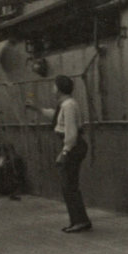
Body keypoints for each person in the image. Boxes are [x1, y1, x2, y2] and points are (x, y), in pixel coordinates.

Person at [26, 75, 91, 233]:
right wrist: (38, 109)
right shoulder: (66, 104)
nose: (52, 89)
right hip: (73, 145)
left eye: (54, 86)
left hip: (72, 146)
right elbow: (57, 117)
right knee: (69, 185)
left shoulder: (68, 105)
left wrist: (64, 152)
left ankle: (80, 221)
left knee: (69, 185)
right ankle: (78, 220)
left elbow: (71, 132)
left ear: (60, 88)